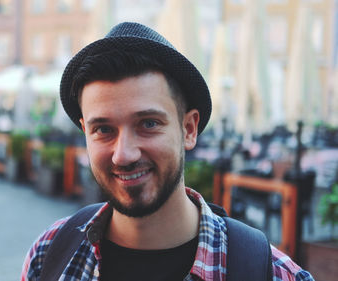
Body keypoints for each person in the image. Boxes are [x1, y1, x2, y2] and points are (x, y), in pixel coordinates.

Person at [21, 22, 314, 281]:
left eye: (148, 123)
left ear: (188, 129)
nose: (124, 154)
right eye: (104, 130)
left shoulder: (272, 274)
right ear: (85, 131)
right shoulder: (48, 254)